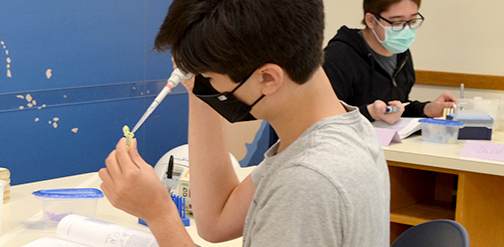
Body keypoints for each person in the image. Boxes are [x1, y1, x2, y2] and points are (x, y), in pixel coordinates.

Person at [96, 0, 390, 246]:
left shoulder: (307, 179)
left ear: (267, 78)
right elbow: (216, 220)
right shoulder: (341, 129)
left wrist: (159, 214)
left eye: (211, 80)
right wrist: (198, 89)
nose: (211, 90)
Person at [324, 0, 456, 124]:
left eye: (412, 21)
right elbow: (325, 119)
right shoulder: (338, 57)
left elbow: (397, 107)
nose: (406, 30)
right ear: (371, 20)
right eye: (397, 22)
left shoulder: (400, 54)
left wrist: (426, 109)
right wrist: (370, 112)